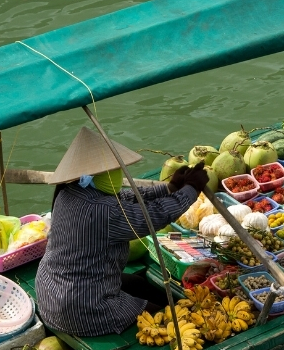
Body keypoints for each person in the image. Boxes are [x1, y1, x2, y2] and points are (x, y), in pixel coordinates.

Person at [35, 127, 209, 337]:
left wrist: (169, 188)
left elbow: (126, 198)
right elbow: (155, 216)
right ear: (92, 175)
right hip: (81, 309)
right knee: (160, 314)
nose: (118, 173)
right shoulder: (104, 211)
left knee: (137, 283)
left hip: (50, 293)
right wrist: (191, 189)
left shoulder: (68, 193)